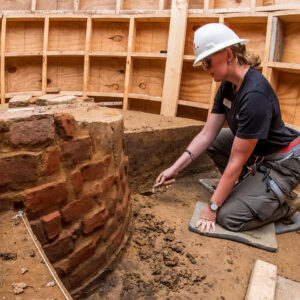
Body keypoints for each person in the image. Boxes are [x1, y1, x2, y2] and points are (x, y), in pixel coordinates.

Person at [155, 23, 300, 234]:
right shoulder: (228, 85)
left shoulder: (254, 96)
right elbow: (207, 134)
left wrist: (213, 207)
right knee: (216, 141)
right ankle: (249, 190)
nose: (206, 69)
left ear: (228, 54)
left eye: (207, 62)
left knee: (228, 217)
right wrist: (174, 168)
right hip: (259, 154)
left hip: (283, 162)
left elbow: (236, 161)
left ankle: (286, 205)